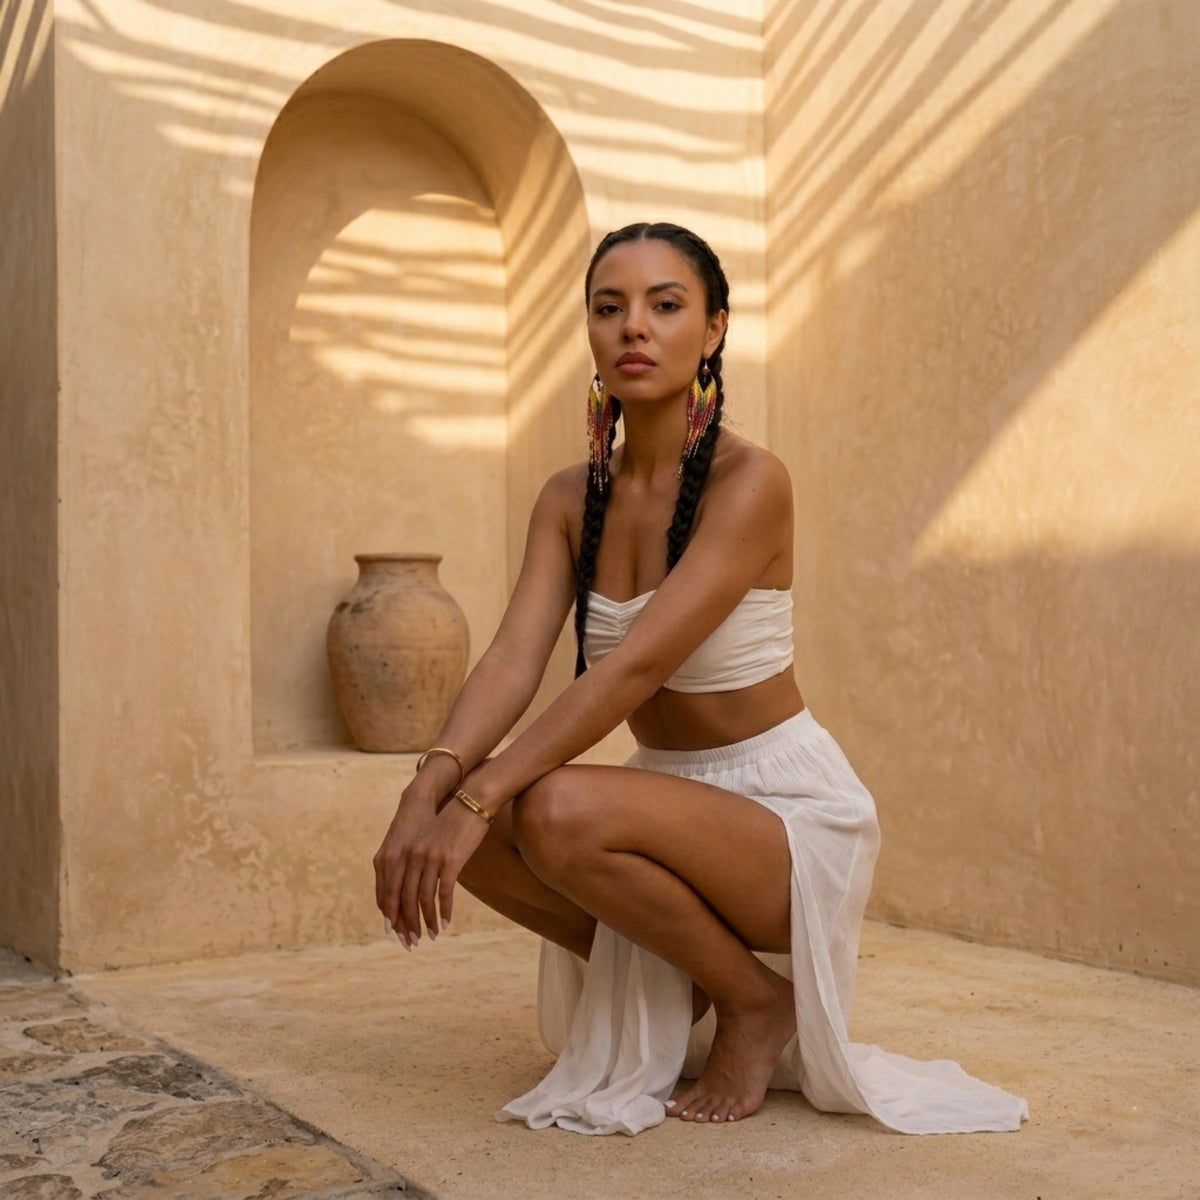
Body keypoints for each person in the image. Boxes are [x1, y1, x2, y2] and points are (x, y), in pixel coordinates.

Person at [373, 222, 1028, 1137]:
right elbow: (512, 657)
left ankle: (757, 1000)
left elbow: (637, 669)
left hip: (782, 814)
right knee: (464, 823)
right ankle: (675, 980)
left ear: (714, 328)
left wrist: (478, 796)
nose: (634, 327)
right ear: (591, 333)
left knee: (539, 805)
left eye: (665, 305)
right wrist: (429, 786)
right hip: (661, 806)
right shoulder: (570, 498)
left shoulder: (751, 481)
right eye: (610, 308)